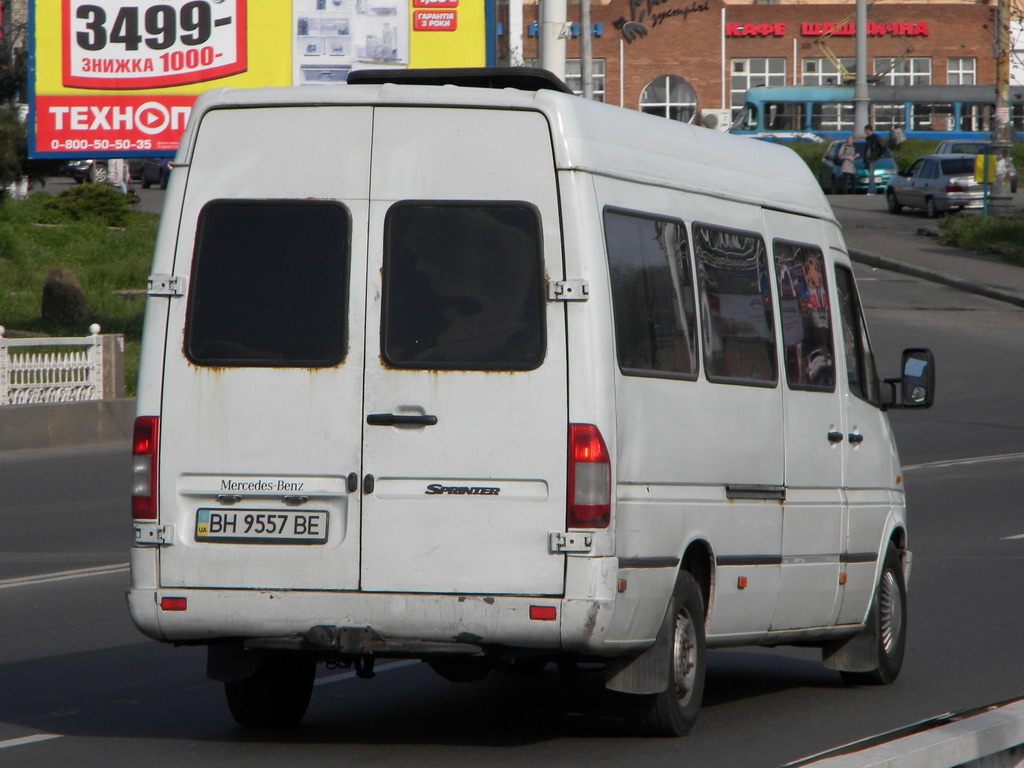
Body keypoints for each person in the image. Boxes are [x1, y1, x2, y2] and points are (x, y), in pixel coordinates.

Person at [863, 125, 886, 194]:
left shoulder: (875, 137)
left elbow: (883, 146)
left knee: (871, 175)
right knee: (870, 175)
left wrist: (878, 155)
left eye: (865, 130)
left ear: (869, 130)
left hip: (873, 159)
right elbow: (866, 150)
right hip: (868, 159)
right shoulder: (867, 138)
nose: (864, 131)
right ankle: (872, 189)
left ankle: (871, 191)